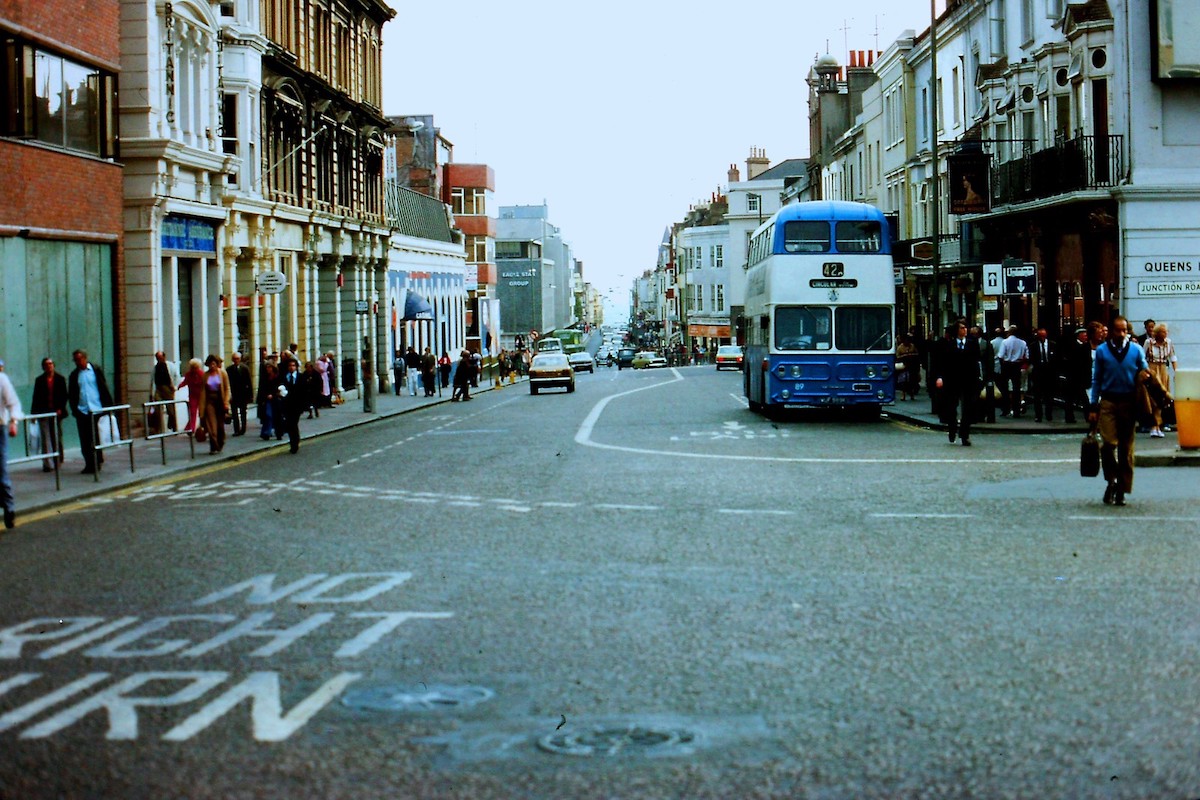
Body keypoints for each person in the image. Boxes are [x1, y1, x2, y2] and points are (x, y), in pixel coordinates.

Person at [1088, 316, 1149, 506]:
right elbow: (1096, 379)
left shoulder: (1136, 350)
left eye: (1125, 331)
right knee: (1108, 444)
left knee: (1126, 449)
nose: (1122, 334)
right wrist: (1093, 406)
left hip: (1129, 403)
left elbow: (1145, 372)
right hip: (1108, 402)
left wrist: (1147, 377)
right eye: (1118, 330)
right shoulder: (1103, 352)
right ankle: (1111, 480)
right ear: (1111, 332)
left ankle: (1121, 489)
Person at [932, 321, 981, 447]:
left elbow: (976, 363)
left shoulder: (972, 344)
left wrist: (978, 378)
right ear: (957, 330)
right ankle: (952, 429)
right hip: (952, 381)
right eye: (962, 328)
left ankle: (965, 435)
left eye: (966, 327)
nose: (965, 330)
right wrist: (940, 377)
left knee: (968, 409)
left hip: (968, 381)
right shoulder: (949, 345)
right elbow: (942, 363)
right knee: (951, 408)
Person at [67, 349, 114, 475]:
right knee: (85, 439)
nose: (77, 362)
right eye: (75, 360)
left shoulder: (95, 370)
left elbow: (104, 387)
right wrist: (75, 409)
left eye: (79, 359)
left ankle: (97, 460)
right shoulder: (74, 375)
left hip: (97, 409)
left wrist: (108, 406)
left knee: (95, 437)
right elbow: (72, 394)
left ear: (85, 358)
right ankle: (89, 464)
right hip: (82, 410)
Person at [31, 356, 68, 471]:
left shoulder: (60, 379)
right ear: (43, 367)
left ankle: (58, 460)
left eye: (51, 364)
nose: (49, 366)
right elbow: (36, 397)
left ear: (54, 365)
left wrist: (60, 408)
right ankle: (47, 463)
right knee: (45, 438)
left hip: (56, 412)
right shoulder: (39, 380)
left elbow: (64, 395)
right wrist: (34, 414)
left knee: (56, 436)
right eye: (46, 364)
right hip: (44, 412)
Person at [1144, 322, 1178, 437]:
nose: (1165, 333)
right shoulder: (1148, 342)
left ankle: (1158, 425)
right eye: (1163, 332)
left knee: (1162, 398)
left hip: (1163, 369)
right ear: (1157, 333)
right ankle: (1155, 425)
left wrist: (1176, 372)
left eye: (1166, 331)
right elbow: (1143, 357)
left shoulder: (1168, 343)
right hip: (1151, 368)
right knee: (1152, 398)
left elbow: (1173, 357)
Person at [0, 359, 23, 529]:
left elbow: (13, 403)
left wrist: (14, 421)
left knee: (1, 472)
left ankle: (9, 509)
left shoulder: (2, 380)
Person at [197, 355, 231, 454]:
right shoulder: (205, 376)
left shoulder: (223, 374)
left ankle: (220, 442)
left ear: (217, 364)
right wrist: (201, 408)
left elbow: (227, 389)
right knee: (211, 425)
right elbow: (202, 391)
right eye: (210, 364)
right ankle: (213, 446)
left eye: (214, 364)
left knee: (220, 426)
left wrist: (226, 402)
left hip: (220, 401)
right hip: (209, 402)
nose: (212, 366)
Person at [996, 326, 1029, 417]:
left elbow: (1001, 355)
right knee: (1016, 388)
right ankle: (1016, 410)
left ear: (1009, 332)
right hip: (1017, 365)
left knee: (1005, 388)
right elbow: (1027, 356)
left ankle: (1006, 409)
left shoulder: (1005, 342)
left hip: (1007, 364)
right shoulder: (1023, 343)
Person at [1028, 327, 1058, 422]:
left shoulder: (1052, 344)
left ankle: (1049, 414)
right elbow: (1031, 358)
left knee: (1049, 395)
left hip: (1049, 372)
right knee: (1037, 396)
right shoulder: (1033, 345)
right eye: (1040, 336)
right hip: (1038, 371)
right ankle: (1038, 415)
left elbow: (1056, 358)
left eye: (1043, 336)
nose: (1042, 338)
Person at [278, 357, 305, 453]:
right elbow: (279, 388)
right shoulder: (284, 377)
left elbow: (304, 392)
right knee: (290, 425)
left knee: (293, 424)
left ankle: (295, 443)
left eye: (293, 365)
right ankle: (293, 441)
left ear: (296, 367)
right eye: (290, 366)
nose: (291, 367)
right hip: (287, 405)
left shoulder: (301, 377)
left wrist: (304, 405)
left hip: (297, 406)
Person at [151, 351, 179, 434]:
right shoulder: (155, 367)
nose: (159, 359)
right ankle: (158, 428)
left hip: (168, 388)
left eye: (160, 357)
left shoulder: (170, 366)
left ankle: (173, 427)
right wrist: (152, 393)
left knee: (170, 409)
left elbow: (177, 376)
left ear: (164, 357)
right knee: (157, 408)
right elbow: (152, 380)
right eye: (157, 358)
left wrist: (174, 387)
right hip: (158, 388)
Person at [972, 326, 996, 423]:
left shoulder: (986, 344)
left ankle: (988, 416)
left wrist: (990, 376)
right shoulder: (969, 344)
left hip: (985, 374)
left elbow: (990, 360)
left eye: (973, 333)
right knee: (976, 397)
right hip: (974, 375)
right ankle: (978, 416)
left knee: (986, 397)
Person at [226, 352, 253, 436]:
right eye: (234, 359)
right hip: (234, 394)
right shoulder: (229, 369)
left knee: (243, 412)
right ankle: (236, 430)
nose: (236, 360)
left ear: (240, 359)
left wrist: (250, 395)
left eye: (237, 359)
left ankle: (243, 428)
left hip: (243, 394)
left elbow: (249, 382)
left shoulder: (245, 368)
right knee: (234, 413)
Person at [177, 358, 205, 433]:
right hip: (193, 396)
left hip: (201, 396)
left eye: (195, 367)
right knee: (192, 412)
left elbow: (205, 384)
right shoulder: (189, 374)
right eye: (192, 367)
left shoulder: (201, 374)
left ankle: (201, 427)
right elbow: (185, 382)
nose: (194, 369)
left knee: (201, 413)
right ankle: (191, 428)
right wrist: (179, 386)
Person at [256, 360, 281, 440]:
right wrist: (263, 397)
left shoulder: (277, 377)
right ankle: (266, 432)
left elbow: (279, 388)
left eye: (269, 367)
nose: (268, 369)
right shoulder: (264, 377)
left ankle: (277, 432)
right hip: (267, 400)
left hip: (276, 399)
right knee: (268, 415)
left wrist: (273, 394)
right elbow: (262, 388)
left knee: (276, 416)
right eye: (267, 367)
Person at [895, 334, 921, 401]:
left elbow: (917, 354)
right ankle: (903, 394)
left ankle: (911, 393)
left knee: (912, 380)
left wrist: (912, 355)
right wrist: (904, 356)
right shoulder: (900, 347)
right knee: (904, 381)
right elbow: (897, 356)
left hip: (911, 366)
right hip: (904, 366)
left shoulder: (912, 346)